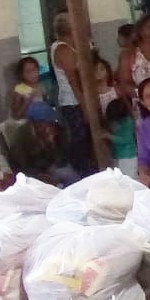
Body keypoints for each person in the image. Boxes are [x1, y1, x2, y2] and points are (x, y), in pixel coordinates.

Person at [50, 12, 96, 177]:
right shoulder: (63, 49)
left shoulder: (73, 45)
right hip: (73, 100)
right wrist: (85, 106)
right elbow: (74, 81)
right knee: (80, 138)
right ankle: (80, 172)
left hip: (80, 98)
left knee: (85, 138)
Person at [7, 101, 77, 187]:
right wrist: (41, 177)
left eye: (50, 124)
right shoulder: (22, 139)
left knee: (70, 175)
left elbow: (61, 159)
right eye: (44, 123)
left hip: (49, 168)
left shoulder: (56, 131)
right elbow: (22, 168)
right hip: (30, 175)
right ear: (35, 124)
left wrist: (51, 144)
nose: (48, 127)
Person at [102, 98, 138, 179]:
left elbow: (126, 139)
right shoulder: (112, 121)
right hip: (117, 155)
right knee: (119, 179)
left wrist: (109, 136)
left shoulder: (128, 121)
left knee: (130, 179)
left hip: (128, 156)